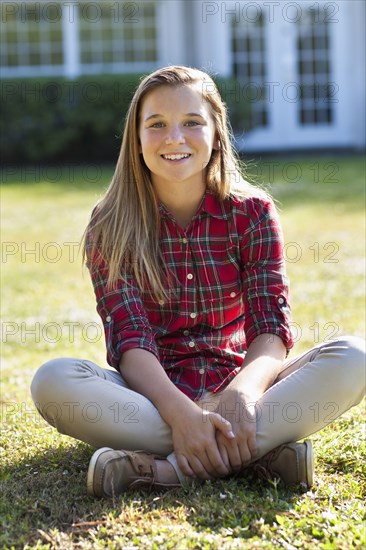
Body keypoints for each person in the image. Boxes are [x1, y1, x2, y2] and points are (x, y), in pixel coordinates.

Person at [31, 66, 365, 499]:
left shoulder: (252, 212)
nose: (175, 138)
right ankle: (257, 455)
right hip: (151, 398)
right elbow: (130, 340)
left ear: (215, 133)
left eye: (192, 122)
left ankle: (164, 470)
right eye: (157, 125)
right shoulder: (111, 224)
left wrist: (242, 395)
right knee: (53, 382)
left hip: (242, 387)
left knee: (355, 357)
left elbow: (270, 326)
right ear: (136, 139)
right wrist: (181, 415)